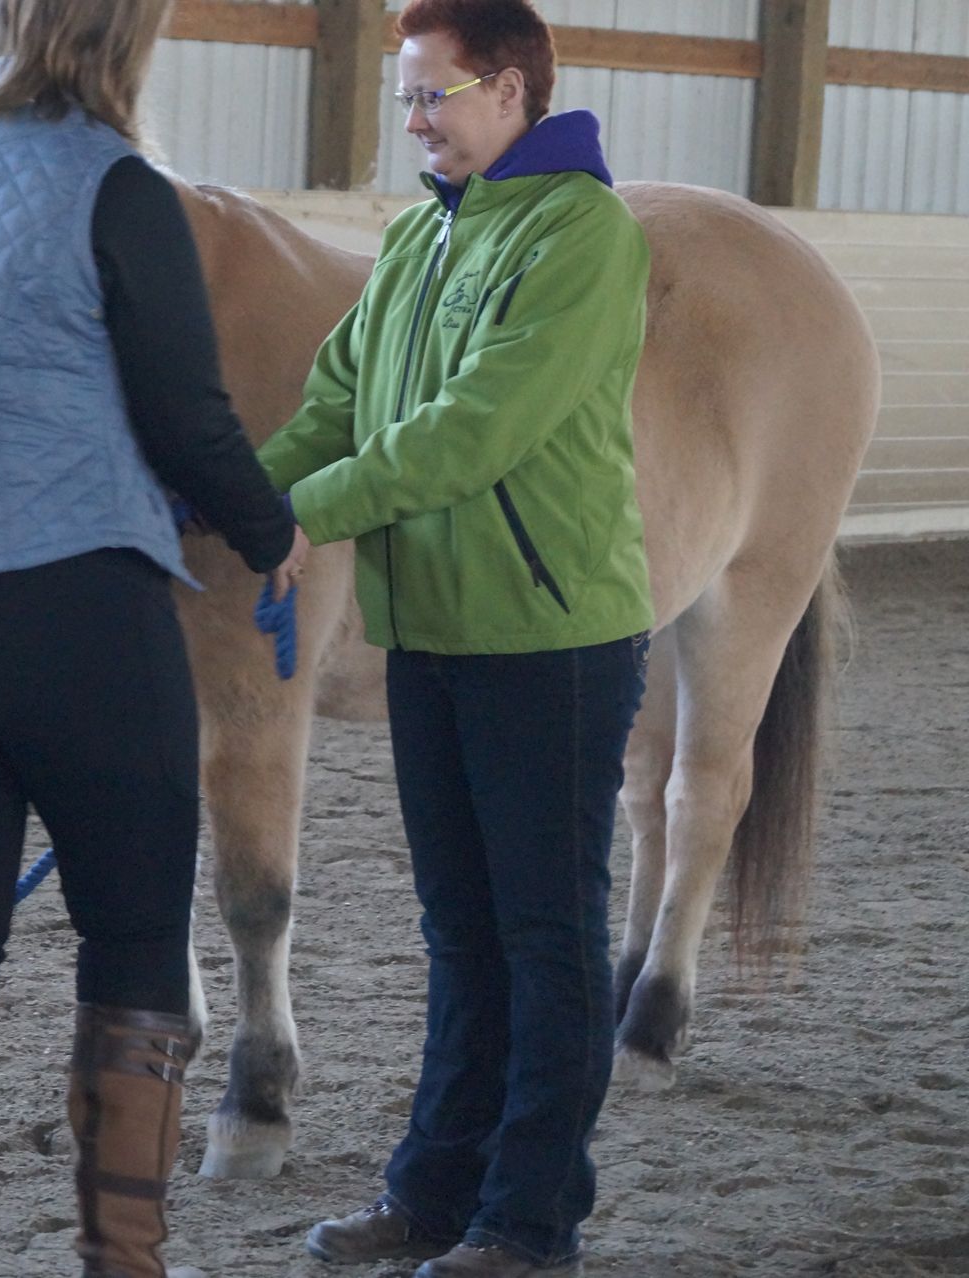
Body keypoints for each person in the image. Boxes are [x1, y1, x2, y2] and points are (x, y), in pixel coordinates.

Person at [0, 1, 309, 1274]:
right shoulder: (119, 185)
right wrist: (269, 527)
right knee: (133, 930)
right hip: (56, 589)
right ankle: (122, 1258)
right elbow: (187, 412)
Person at [255, 2, 653, 1275]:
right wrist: (230, 503)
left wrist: (300, 519)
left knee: (545, 935)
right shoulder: (426, 235)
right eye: (406, 97)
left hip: (550, 639)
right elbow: (335, 402)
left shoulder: (582, 233)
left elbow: (472, 432)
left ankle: (530, 1222)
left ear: (514, 92)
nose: (415, 120)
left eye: (435, 94)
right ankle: (433, 1194)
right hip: (432, 630)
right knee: (461, 933)